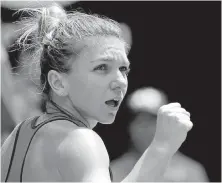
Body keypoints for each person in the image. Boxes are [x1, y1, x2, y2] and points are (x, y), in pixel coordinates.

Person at [1, 4, 193, 182]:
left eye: (123, 69)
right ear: (58, 82)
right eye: (102, 67)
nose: (120, 81)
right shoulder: (82, 140)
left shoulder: (17, 135)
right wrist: (161, 148)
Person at [111, 87, 209, 182]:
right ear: (129, 127)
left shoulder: (190, 171)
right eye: (139, 121)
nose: (145, 129)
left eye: (152, 120)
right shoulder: (113, 170)